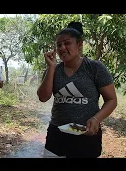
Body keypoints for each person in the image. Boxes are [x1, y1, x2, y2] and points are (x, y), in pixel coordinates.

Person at [37, 21, 117, 158]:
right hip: (57, 135)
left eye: (67, 43)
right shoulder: (53, 70)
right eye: (59, 45)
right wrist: (51, 68)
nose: (62, 48)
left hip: (87, 135)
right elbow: (43, 97)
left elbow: (111, 100)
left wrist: (96, 119)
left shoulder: (94, 68)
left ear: (79, 44)